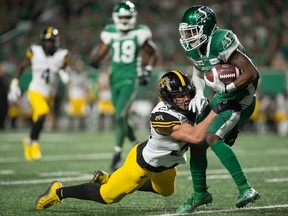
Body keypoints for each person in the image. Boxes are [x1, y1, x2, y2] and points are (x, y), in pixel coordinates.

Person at [34, 70, 241, 211]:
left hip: (168, 165)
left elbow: (200, 78)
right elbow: (196, 136)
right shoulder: (161, 116)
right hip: (143, 163)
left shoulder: (191, 103)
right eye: (179, 96)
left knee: (166, 192)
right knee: (108, 197)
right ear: (168, 98)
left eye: (187, 94)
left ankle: (110, 177)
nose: (185, 99)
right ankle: (59, 191)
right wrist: (215, 112)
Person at [176, 5, 260, 213]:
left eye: (192, 31)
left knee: (212, 136)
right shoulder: (195, 47)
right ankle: (200, 194)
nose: (188, 36)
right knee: (196, 140)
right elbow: (197, 71)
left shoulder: (221, 40)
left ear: (206, 28)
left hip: (242, 97)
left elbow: (252, 72)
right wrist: (198, 94)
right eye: (186, 32)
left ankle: (246, 189)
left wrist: (228, 86)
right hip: (223, 95)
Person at [89, 1, 158, 171]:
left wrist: (147, 69)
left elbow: (152, 52)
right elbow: (103, 49)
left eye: (127, 16)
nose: (125, 20)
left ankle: (117, 154)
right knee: (120, 116)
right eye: (122, 17)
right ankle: (135, 143)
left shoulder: (139, 32)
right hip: (114, 79)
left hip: (130, 78)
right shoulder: (110, 32)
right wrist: (96, 59)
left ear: (133, 17)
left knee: (119, 114)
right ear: (115, 17)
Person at [8, 26, 70, 161]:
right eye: (47, 41)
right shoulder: (34, 51)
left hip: (50, 94)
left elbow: (65, 68)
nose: (49, 44)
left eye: (52, 41)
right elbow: (22, 65)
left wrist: (64, 72)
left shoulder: (62, 54)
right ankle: (34, 143)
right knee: (42, 114)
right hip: (36, 90)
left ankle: (29, 140)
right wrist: (14, 82)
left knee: (39, 120)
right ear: (42, 41)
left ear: (57, 42)